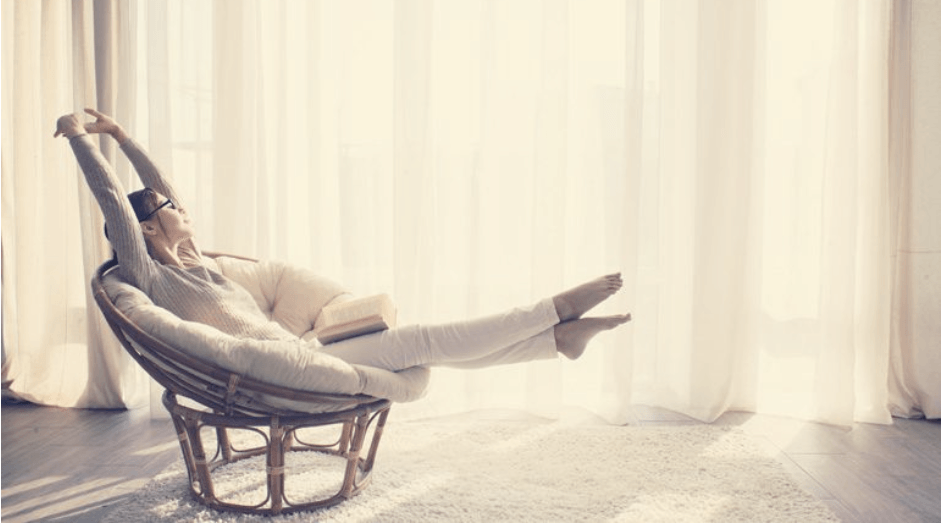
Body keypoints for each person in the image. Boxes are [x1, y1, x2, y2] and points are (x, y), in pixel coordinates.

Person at [55, 108, 630, 373]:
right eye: (168, 210)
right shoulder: (150, 274)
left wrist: (123, 136)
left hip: (302, 352)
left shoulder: (201, 262)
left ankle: (555, 341)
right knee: (423, 340)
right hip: (278, 368)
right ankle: (553, 312)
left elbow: (156, 189)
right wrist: (81, 140)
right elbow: (117, 205)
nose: (181, 208)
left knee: (427, 349)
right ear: (147, 230)